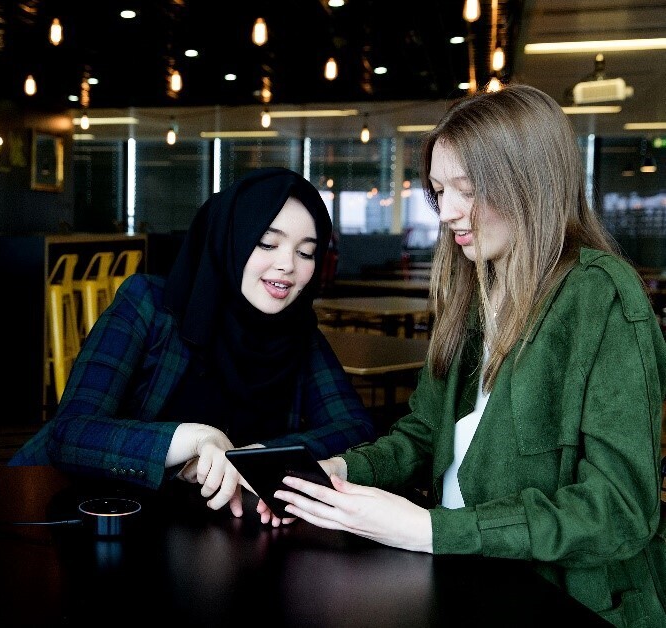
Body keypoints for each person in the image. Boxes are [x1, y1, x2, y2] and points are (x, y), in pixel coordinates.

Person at [273, 84, 666, 625]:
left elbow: (618, 512)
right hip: (463, 573)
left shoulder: (602, 295)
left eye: (469, 188)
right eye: (439, 190)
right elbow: (423, 435)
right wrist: (338, 472)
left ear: (531, 182)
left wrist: (428, 528)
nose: (449, 212)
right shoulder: (476, 287)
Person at [10, 167, 374, 520]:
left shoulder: (298, 332)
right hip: (57, 511)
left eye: (306, 252)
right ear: (230, 239)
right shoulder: (149, 305)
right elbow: (70, 433)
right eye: (267, 243)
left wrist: (260, 457)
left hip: (207, 534)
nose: (287, 265)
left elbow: (357, 429)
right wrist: (194, 440)